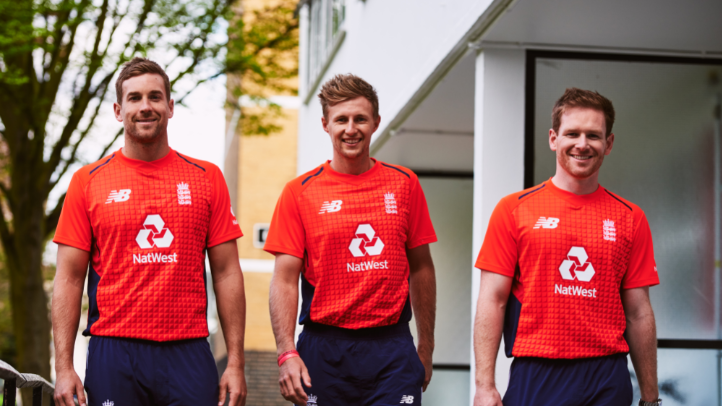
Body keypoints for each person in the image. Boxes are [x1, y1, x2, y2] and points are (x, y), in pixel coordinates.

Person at [52, 57, 247, 406]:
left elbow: (227, 271)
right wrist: (64, 367)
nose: (146, 107)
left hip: (187, 348)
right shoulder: (87, 182)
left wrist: (235, 361)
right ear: (117, 109)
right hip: (114, 349)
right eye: (135, 98)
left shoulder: (207, 178)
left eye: (155, 97)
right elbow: (67, 278)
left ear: (170, 107)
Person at [473, 88, 661, 406]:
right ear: (553, 139)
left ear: (609, 144)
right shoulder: (513, 210)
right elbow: (493, 299)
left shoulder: (630, 218)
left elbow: (639, 312)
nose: (582, 144)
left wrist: (651, 396)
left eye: (593, 135)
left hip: (607, 374)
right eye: (572, 133)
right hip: (537, 370)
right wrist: (484, 385)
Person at [265, 74, 438, 406]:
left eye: (360, 119)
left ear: (375, 123)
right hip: (324, 349)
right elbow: (284, 280)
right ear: (325, 125)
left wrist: (425, 348)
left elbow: (422, 270)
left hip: (392, 348)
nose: (351, 128)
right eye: (341, 119)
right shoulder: (300, 192)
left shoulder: (405, 184)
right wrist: (286, 352)